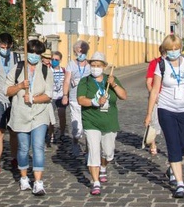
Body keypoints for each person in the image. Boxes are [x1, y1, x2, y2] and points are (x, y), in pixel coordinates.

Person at [145, 34, 184, 198]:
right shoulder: (161, 65)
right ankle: (180, 183)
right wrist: (149, 114)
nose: (173, 52)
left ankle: (173, 166)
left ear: (180, 49)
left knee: (183, 144)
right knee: (173, 144)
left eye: (176, 49)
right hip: (166, 109)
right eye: (170, 49)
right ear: (165, 50)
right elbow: (155, 90)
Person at [6, 39, 54, 196]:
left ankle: (38, 182)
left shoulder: (46, 71)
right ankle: (24, 177)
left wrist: (34, 98)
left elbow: (49, 95)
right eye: (31, 52)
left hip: (40, 113)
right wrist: (20, 86)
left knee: (38, 146)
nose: (34, 56)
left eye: (37, 53)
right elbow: (7, 91)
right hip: (21, 113)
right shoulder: (18, 68)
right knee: (23, 148)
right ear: (26, 52)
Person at [77, 52, 127, 196]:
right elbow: (80, 99)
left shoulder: (110, 79)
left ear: (104, 67)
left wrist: (114, 84)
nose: (95, 68)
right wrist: (94, 102)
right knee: (93, 151)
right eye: (93, 65)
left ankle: (103, 166)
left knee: (108, 152)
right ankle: (95, 182)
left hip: (109, 122)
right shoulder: (85, 81)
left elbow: (124, 96)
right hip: (91, 121)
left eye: (98, 65)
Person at [0, 32, 21, 177]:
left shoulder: (17, 58)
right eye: (2, 46)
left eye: (6, 47)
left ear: (11, 46)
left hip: (14, 99)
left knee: (14, 131)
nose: (4, 49)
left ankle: (14, 158)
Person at [64, 40, 90, 157]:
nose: (81, 53)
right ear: (75, 52)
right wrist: (65, 95)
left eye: (83, 51)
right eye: (79, 51)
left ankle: (89, 149)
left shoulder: (90, 65)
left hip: (88, 100)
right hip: (74, 99)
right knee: (77, 128)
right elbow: (66, 80)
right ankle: (75, 141)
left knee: (88, 127)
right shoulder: (71, 64)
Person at [144, 45, 165, 155]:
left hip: (168, 96)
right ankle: (152, 143)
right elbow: (148, 82)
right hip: (157, 95)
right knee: (154, 121)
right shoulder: (155, 63)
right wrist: (154, 94)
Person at [44, 49, 66, 145]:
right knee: (51, 117)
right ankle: (51, 134)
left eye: (56, 59)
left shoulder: (64, 70)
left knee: (62, 115)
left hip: (61, 96)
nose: (54, 61)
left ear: (60, 60)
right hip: (51, 97)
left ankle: (62, 133)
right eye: (53, 59)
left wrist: (66, 95)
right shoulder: (48, 70)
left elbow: (67, 82)